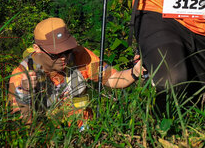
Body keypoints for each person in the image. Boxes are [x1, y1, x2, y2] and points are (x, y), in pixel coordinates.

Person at [8, 17, 143, 127]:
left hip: (86, 131)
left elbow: (112, 78)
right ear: (37, 48)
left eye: (67, 51)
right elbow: (21, 123)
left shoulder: (80, 56)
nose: (64, 57)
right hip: (51, 138)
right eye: (56, 54)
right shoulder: (21, 75)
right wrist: (24, 92)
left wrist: (135, 72)